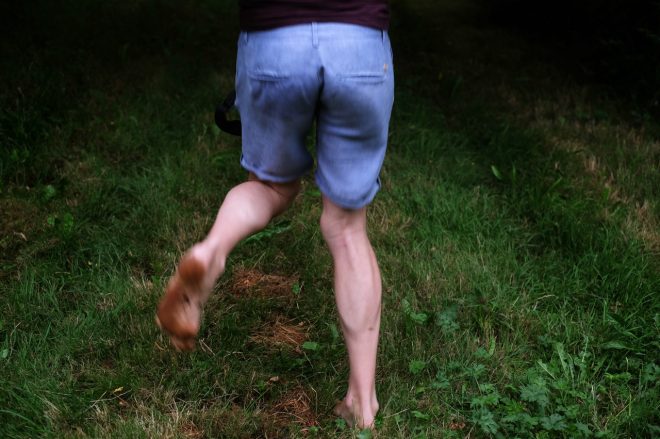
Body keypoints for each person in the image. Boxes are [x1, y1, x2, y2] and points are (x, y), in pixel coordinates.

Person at [155, 0, 394, 429]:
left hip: (275, 39)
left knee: (269, 186)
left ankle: (211, 251)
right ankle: (361, 401)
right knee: (346, 227)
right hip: (357, 43)